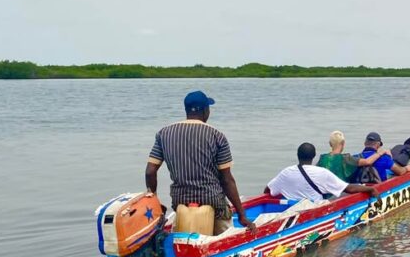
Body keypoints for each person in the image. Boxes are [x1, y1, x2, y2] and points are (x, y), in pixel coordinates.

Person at [145, 91, 256, 234]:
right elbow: (227, 180)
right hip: (213, 203)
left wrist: (154, 201)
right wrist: (242, 215)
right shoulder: (217, 136)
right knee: (225, 235)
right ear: (205, 111)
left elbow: (150, 172)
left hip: (181, 201)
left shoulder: (164, 134)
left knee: (176, 237)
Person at [266, 143, 378, 202]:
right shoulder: (321, 173)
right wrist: (371, 188)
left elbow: (268, 190)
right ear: (314, 156)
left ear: (298, 155)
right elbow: (349, 189)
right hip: (314, 212)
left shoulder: (286, 172)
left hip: (292, 209)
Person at [316, 130, 389, 182]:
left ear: (330, 144)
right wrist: (380, 153)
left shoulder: (322, 158)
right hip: (340, 192)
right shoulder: (346, 158)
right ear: (343, 143)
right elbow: (368, 162)